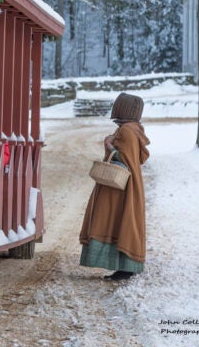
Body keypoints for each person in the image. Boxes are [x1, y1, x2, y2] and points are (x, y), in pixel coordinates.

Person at [79, 93, 150, 281]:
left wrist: (109, 145)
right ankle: (125, 267)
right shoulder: (134, 129)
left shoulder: (126, 131)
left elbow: (123, 158)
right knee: (123, 222)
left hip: (120, 188)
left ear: (123, 108)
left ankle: (125, 268)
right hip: (129, 186)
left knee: (116, 221)